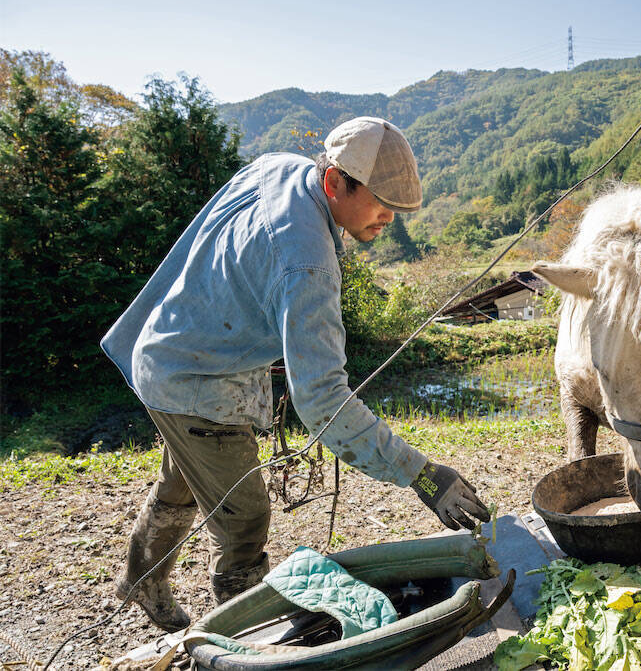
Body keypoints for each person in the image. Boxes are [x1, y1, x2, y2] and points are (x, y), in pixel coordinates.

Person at [100, 116, 491, 632]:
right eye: (380, 204)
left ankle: (140, 581)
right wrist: (421, 475)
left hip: (171, 347)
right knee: (244, 519)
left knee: (184, 482)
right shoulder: (308, 264)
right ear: (334, 182)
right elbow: (324, 402)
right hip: (197, 383)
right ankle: (236, 640)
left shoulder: (279, 167)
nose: (387, 219)